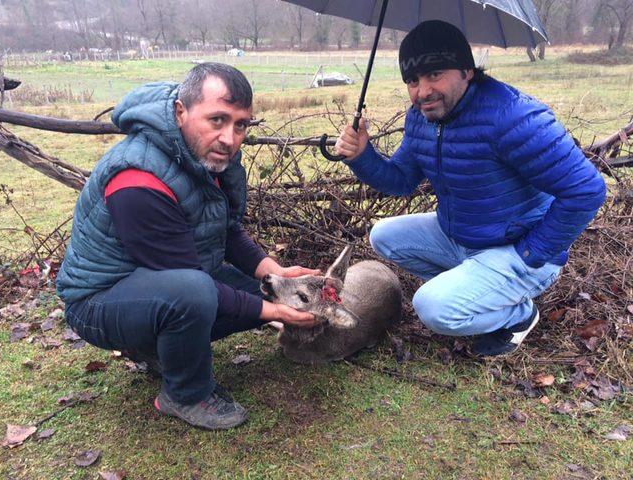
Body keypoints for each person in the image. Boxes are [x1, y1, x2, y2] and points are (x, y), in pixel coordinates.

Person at [56, 62, 321, 430]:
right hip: (99, 301)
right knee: (195, 294)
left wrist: (273, 274)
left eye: (240, 124)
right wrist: (273, 313)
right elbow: (186, 282)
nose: (230, 137)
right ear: (181, 111)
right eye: (217, 119)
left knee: (265, 292)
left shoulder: (202, 154)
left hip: (159, 282)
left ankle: (160, 349)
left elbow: (224, 230)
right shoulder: (138, 179)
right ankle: (185, 394)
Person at [334, 21, 606, 357]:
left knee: (433, 307)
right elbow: (401, 180)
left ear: (466, 70)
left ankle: (519, 315)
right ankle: (481, 287)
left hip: (518, 248)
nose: (422, 92)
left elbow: (587, 190)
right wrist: (362, 156)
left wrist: (531, 253)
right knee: (383, 235)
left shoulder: (514, 117)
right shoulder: (422, 118)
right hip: (462, 237)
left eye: (434, 75)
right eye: (412, 81)